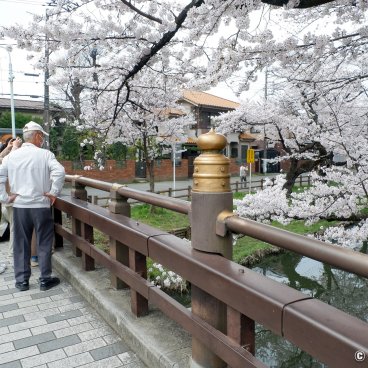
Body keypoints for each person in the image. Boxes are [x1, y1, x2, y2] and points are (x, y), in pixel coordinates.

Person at [0, 121, 65, 291]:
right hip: (41, 206)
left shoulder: (11, 156)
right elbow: (59, 172)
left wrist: (5, 198)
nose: (42, 139)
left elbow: (0, 175)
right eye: (42, 136)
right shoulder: (46, 155)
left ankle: (22, 282)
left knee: (21, 243)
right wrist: (54, 192)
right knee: (44, 242)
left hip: (20, 206)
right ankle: (44, 279)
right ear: (37, 136)